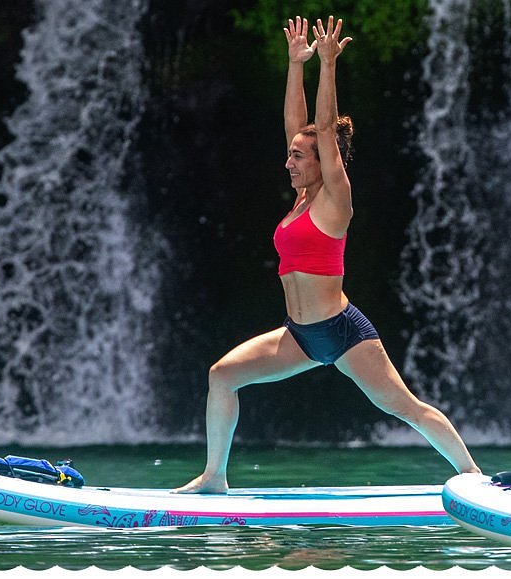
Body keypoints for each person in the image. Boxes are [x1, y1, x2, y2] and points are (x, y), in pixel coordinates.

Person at [174, 17, 482, 494]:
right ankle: (215, 477)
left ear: (324, 160)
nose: (289, 161)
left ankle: (473, 477)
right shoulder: (301, 198)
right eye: (291, 155)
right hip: (298, 335)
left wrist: (328, 64)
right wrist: (296, 65)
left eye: (299, 157)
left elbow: (321, 129)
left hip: (341, 332)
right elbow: (297, 127)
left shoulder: (335, 199)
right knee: (222, 376)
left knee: (404, 408)